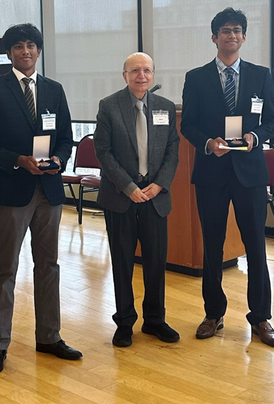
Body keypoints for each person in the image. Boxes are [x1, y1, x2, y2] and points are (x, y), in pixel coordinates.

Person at [0, 23, 82, 376]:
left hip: (49, 190)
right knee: (7, 267)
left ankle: (49, 336)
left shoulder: (54, 89)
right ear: (9, 53)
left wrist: (59, 160)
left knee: (48, 265)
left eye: (31, 46)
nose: (26, 51)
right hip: (13, 189)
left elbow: (67, 138)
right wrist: (19, 160)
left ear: (38, 51)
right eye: (19, 46)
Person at [181, 8, 274, 347]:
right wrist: (209, 143)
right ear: (214, 37)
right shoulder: (196, 77)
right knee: (212, 245)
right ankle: (213, 313)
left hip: (249, 173)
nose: (232, 36)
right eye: (225, 31)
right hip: (212, 171)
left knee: (256, 246)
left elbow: (272, 119)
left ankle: (261, 318)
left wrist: (255, 138)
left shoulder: (260, 75)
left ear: (244, 36)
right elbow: (188, 125)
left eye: (237, 30)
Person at [94, 52, 180, 347]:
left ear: (153, 74)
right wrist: (129, 186)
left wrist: (160, 184)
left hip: (155, 197)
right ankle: (125, 322)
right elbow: (103, 152)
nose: (141, 76)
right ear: (125, 75)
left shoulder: (166, 108)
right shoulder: (109, 106)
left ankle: (155, 320)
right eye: (135, 71)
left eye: (147, 70)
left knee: (156, 262)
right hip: (121, 197)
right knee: (122, 262)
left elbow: (172, 150)